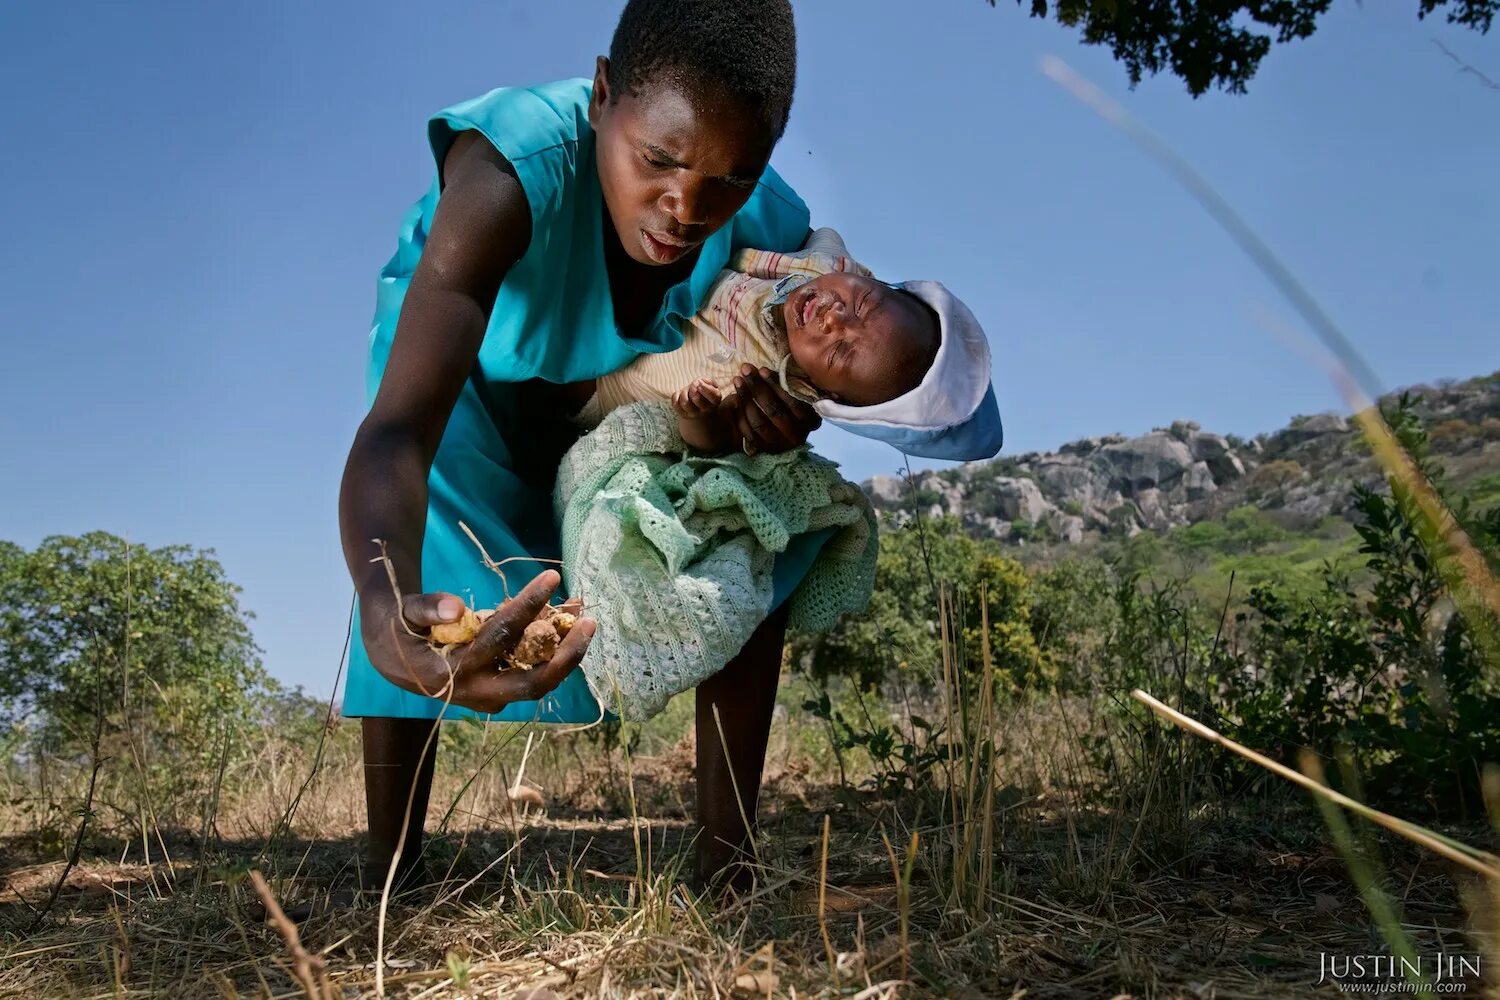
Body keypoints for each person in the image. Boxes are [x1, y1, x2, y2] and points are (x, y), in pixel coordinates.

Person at [338, 0, 824, 892]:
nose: (686, 209)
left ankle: (728, 865)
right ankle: (391, 866)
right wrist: (382, 597)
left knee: (757, 496)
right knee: (426, 564)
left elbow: (860, 363)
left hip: (625, 414)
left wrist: (767, 421)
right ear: (603, 94)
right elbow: (401, 428)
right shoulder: (507, 175)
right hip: (469, 391)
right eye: (659, 160)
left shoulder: (772, 239)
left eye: (729, 179)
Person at [555, 228, 1002, 722]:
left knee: (561, 372)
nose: (834, 318)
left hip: (602, 380)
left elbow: (709, 444)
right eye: (865, 302)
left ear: (820, 391)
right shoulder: (823, 268)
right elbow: (816, 235)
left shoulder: (762, 387)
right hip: (651, 276)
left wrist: (700, 417)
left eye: (839, 353)